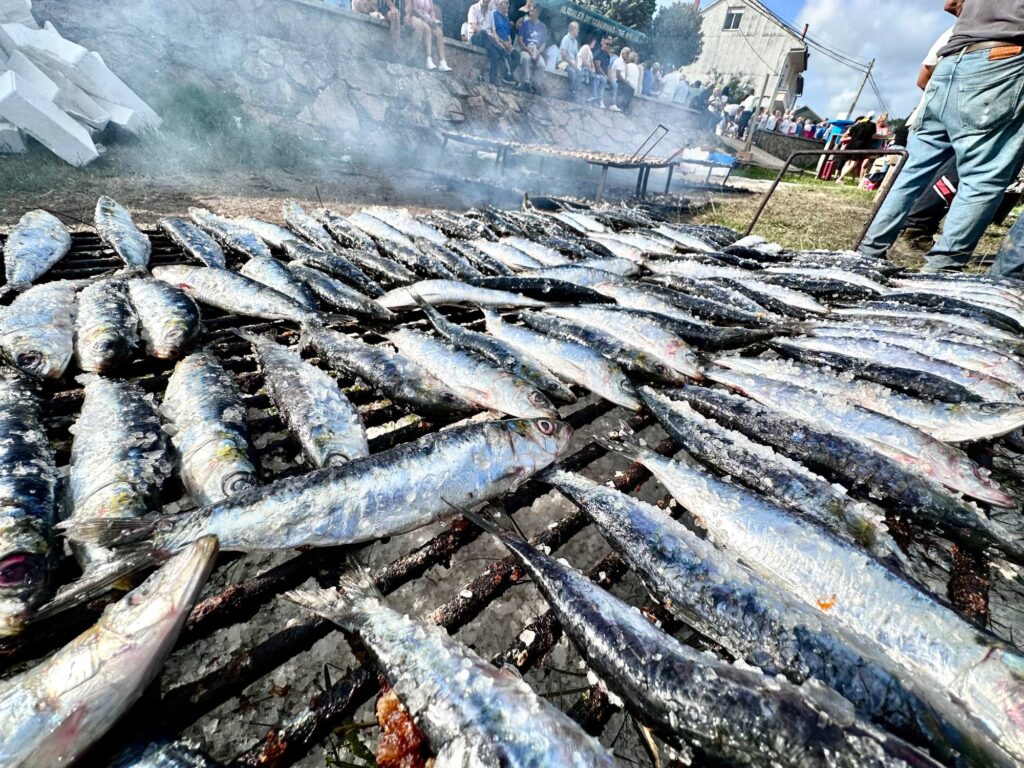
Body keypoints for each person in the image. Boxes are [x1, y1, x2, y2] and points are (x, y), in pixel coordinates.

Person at [860, 0, 1024, 274]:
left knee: (912, 170)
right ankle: (939, 271)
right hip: (1000, 61)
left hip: (950, 62)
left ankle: (867, 252)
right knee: (982, 177)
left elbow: (951, 4)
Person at [477, 0, 515, 85]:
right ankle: (502, 50)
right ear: (500, 4)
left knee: (496, 53)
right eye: (507, 3)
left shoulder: (492, 14)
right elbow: (475, 28)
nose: (508, 6)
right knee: (484, 33)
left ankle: (497, 78)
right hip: (477, 37)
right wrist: (501, 43)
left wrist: (508, 43)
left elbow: (494, 31)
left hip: (491, 40)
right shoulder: (475, 9)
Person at [407, 0, 451, 71]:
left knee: (439, 33)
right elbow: (414, 9)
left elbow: (432, 10)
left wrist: (433, 18)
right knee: (427, 29)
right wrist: (425, 18)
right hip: (417, 17)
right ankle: (429, 59)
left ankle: (442, 62)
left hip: (428, 19)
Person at [514, 4, 547, 90]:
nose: (530, 11)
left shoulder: (543, 26)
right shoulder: (525, 24)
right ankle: (526, 82)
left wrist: (538, 52)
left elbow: (543, 43)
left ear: (538, 13)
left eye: (533, 10)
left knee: (542, 65)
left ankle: (535, 86)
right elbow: (520, 40)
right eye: (531, 9)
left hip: (536, 51)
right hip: (525, 49)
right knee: (526, 58)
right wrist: (528, 50)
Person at [835, 114, 877, 183]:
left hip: (850, 145)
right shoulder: (872, 125)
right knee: (853, 164)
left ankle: (840, 179)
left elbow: (849, 133)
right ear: (872, 118)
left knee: (847, 163)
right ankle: (839, 178)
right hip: (860, 146)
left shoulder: (857, 125)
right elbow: (873, 135)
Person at [558, 21, 580, 98]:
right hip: (562, 62)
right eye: (577, 29)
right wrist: (572, 63)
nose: (578, 31)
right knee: (571, 72)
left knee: (579, 72)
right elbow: (563, 54)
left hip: (570, 63)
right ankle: (569, 93)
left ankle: (574, 92)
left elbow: (576, 55)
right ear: (573, 29)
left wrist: (576, 64)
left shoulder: (575, 42)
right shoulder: (565, 38)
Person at [592, 35, 612, 107]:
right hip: (596, 74)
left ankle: (612, 104)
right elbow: (598, 67)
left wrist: (610, 77)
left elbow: (608, 67)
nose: (608, 46)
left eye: (610, 45)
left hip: (603, 75)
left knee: (613, 84)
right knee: (603, 79)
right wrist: (605, 75)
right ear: (603, 43)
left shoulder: (607, 55)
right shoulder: (598, 53)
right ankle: (598, 100)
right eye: (607, 44)